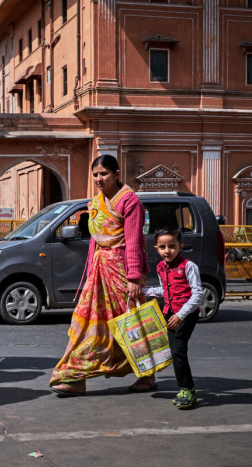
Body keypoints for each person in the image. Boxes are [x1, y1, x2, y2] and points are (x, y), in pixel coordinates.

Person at [50, 154, 150, 396]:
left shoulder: (130, 202)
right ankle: (76, 376)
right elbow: (95, 243)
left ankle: (146, 373)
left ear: (116, 174)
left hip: (123, 274)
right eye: (95, 174)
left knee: (129, 327)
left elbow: (134, 242)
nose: (98, 178)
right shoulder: (95, 203)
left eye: (103, 173)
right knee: (86, 325)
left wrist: (134, 278)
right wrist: (89, 275)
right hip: (99, 273)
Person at [142, 227, 203, 409]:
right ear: (156, 248)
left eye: (171, 246)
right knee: (175, 350)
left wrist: (180, 315)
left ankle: (188, 390)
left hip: (186, 314)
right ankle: (185, 388)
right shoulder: (161, 267)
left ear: (180, 246)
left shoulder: (189, 266)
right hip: (170, 313)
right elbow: (165, 290)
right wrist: (145, 292)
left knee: (178, 351)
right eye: (162, 247)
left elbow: (197, 294)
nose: (167, 251)